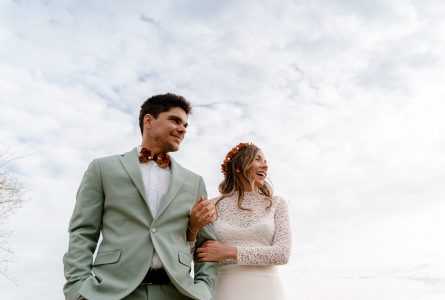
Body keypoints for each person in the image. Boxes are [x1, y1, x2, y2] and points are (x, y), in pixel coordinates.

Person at [63, 93, 218, 300]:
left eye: (185, 125)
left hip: (178, 293)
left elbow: (206, 243)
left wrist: (204, 289)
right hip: (112, 292)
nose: (182, 129)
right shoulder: (103, 169)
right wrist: (78, 289)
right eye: (175, 120)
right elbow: (82, 231)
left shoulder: (194, 181)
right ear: (148, 120)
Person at [195, 142, 291, 300]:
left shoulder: (277, 203)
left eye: (266, 162)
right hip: (224, 288)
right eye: (258, 159)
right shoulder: (213, 205)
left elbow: (282, 254)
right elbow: (199, 252)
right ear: (238, 167)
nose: (265, 166)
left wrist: (227, 252)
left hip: (267, 289)